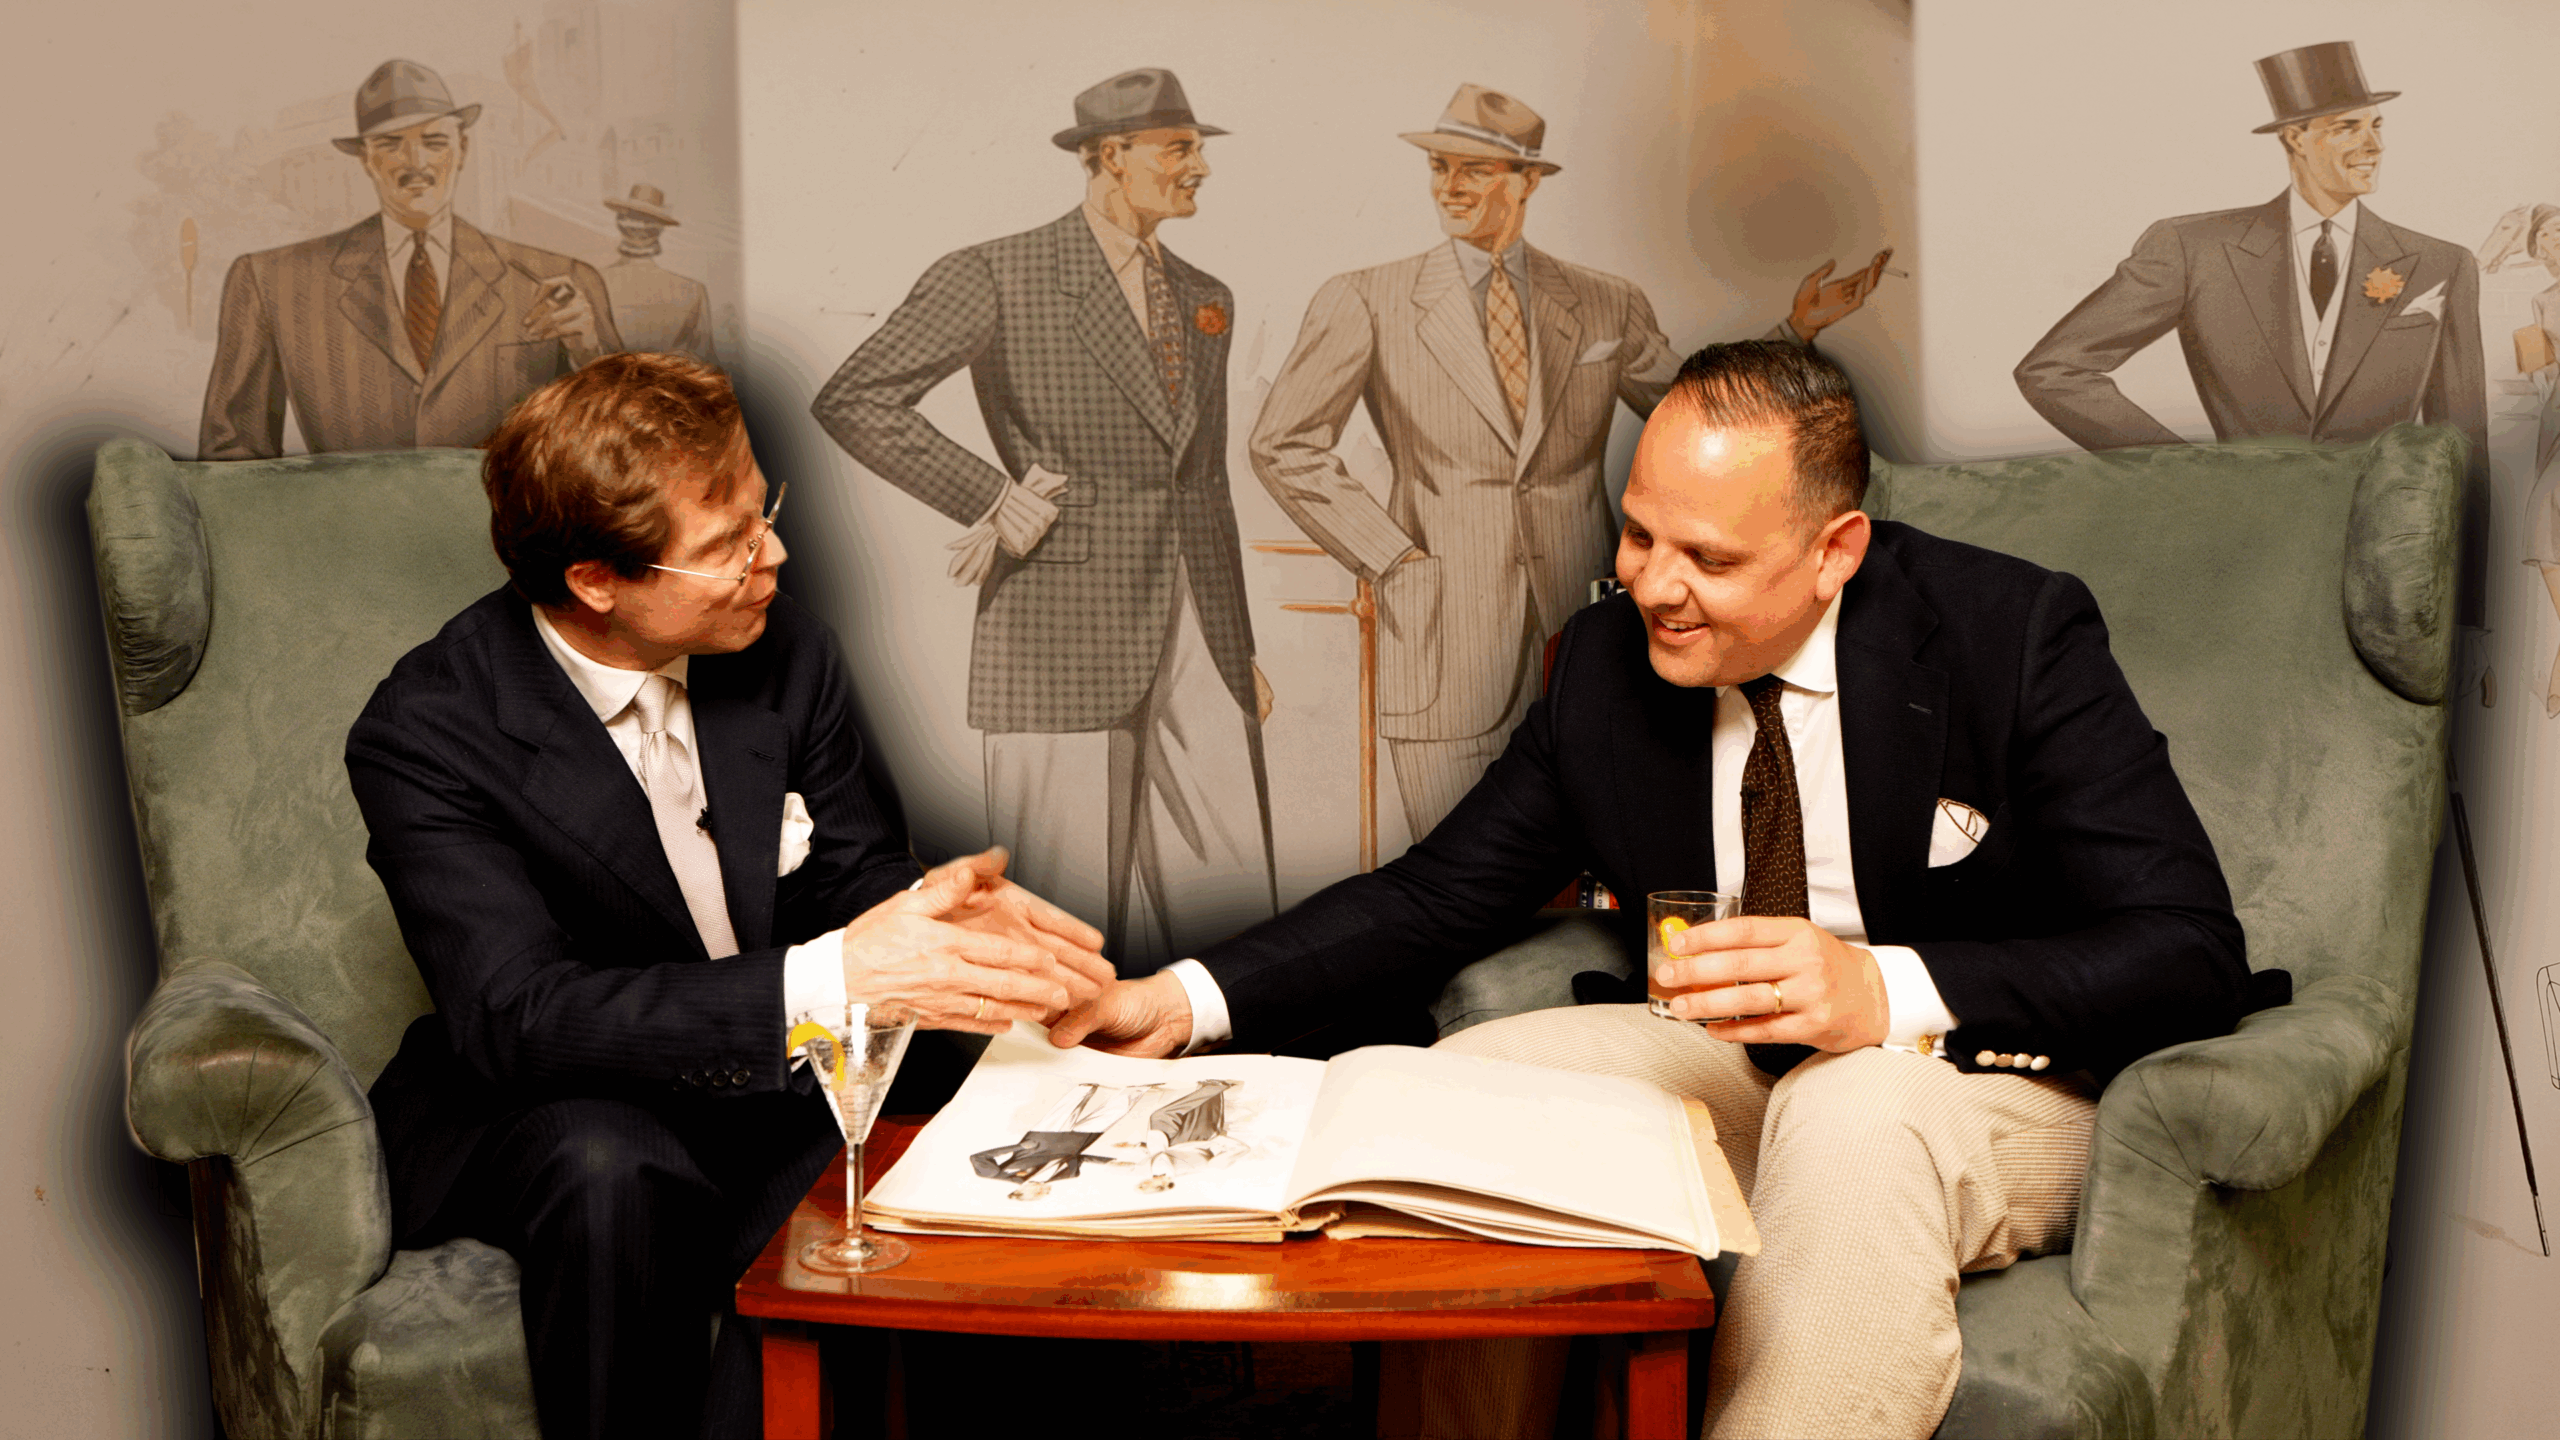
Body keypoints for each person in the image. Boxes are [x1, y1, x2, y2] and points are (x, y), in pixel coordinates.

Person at [1058, 340, 2260, 1438]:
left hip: (1981, 1080)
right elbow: (1439, 894)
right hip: (1727, 1062)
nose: (1651, 585)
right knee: (1433, 1095)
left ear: (1833, 551)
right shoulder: (1605, 668)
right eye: (1639, 537)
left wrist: (1881, 990)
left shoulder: (2011, 632)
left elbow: (2186, 946)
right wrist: (1178, 1001)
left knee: (1855, 1116)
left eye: (1709, 558)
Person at [347, 352, 1111, 1438]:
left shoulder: (779, 642)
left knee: (915, 1141)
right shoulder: (428, 731)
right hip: (556, 1101)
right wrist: (833, 973)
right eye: (728, 548)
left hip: (770, 1081)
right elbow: (517, 1018)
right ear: (597, 582)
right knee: (612, 1169)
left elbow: (854, 874)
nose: (775, 558)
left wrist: (936, 917)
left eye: (766, 515)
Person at [1251, 83, 1891, 838]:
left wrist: (1795, 330)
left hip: (1590, 621)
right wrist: (1394, 559)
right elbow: (1282, 443)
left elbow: (1695, 405)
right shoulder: (1367, 299)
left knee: (1609, 858)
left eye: (1475, 169)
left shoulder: (1602, 302)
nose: (1450, 187)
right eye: (1439, 169)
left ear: (1527, 181)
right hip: (1441, 630)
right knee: (1456, 870)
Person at [811, 66, 1274, 972]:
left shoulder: (1204, 292)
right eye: (1178, 149)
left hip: (1196, 633)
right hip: (1059, 628)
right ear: (1111, 157)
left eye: (1197, 148)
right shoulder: (997, 273)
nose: (1199, 168)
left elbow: (1203, 482)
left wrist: (1234, 642)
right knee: (1058, 931)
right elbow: (858, 397)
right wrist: (990, 497)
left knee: (1232, 918)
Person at [2015, 40, 2489, 633]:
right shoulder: (2195, 249)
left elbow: (2463, 450)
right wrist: (2188, 472)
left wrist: (2472, 624)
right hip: (2238, 563)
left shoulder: (2442, 265)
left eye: (2376, 125)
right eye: (2348, 127)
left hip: (2390, 577)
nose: (2375, 145)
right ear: (2295, 137)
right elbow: (2052, 370)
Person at [2480, 203, 2560, 714]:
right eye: (2548, 238)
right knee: (2544, 524)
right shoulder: (2542, 299)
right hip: (2557, 418)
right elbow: (2538, 370)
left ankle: (2556, 682)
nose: (2556, 241)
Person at [602, 183, 717, 361]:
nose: (637, 227)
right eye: (634, 220)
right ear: (660, 228)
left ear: (619, 222)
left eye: (643, 221)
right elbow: (705, 367)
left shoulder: (591, 282)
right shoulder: (693, 291)